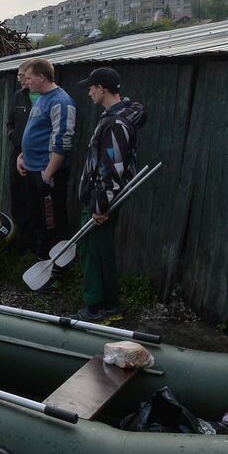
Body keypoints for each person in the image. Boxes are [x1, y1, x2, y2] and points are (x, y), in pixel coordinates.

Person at [75, 67, 146, 323]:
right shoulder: (114, 117)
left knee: (92, 253)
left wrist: (100, 206)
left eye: (91, 88)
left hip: (102, 200)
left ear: (102, 88)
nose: (89, 92)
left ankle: (96, 308)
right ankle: (111, 306)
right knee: (100, 251)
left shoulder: (116, 123)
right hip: (102, 199)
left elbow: (112, 167)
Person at [16, 58, 75, 260]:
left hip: (48, 174)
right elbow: (37, 134)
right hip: (32, 169)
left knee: (54, 221)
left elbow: (62, 141)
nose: (26, 81)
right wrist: (22, 156)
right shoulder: (41, 98)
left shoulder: (61, 101)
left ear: (41, 77)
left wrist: (47, 174)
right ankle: (42, 258)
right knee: (37, 217)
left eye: (29, 77)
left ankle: (58, 268)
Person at [5, 60, 38, 250]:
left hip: (35, 156)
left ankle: (34, 244)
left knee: (32, 199)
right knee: (16, 195)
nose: (19, 80)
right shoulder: (18, 97)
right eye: (18, 76)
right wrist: (13, 135)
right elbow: (10, 122)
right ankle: (21, 241)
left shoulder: (42, 98)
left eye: (21, 76)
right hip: (17, 153)